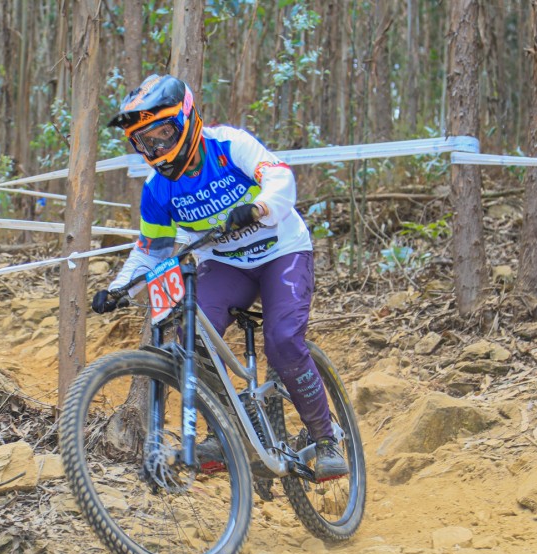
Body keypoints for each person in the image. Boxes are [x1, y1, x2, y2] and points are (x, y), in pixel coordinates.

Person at [91, 74, 347, 481]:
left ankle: (327, 436)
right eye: (145, 141)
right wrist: (120, 289)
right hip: (226, 264)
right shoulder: (158, 189)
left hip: (282, 250)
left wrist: (259, 208)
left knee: (282, 342)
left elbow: (280, 177)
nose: (156, 148)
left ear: (188, 118)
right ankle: (225, 433)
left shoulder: (228, 145)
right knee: (192, 337)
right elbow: (150, 251)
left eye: (163, 134)